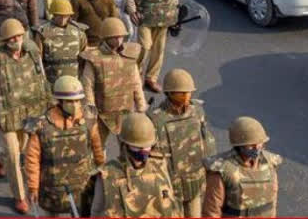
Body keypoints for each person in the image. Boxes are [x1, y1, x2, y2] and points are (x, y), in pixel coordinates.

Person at [0, 19, 51, 214]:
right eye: (11, 38)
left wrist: (49, 106)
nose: (16, 40)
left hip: (29, 112)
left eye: (19, 36)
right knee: (14, 154)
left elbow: (42, 79)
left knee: (20, 149)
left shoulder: (33, 53)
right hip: (4, 115)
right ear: (4, 40)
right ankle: (19, 196)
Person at [25, 76, 105, 216]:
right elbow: (32, 158)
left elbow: (97, 145)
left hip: (82, 184)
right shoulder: (42, 125)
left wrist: (101, 168)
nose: (74, 105)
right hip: (52, 187)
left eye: (77, 101)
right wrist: (33, 187)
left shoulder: (87, 119)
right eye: (69, 101)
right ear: (59, 101)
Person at [149, 69, 216, 217]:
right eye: (182, 93)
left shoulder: (197, 111)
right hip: (170, 186)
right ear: (170, 93)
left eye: (189, 92)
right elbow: (151, 157)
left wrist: (210, 172)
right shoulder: (156, 119)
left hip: (195, 181)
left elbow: (207, 141)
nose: (187, 96)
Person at [87, 112, 181, 218]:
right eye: (137, 147)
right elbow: (96, 212)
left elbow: (173, 202)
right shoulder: (106, 175)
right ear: (125, 145)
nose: (143, 151)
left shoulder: (160, 164)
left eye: (146, 146)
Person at [79, 17, 145, 146]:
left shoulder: (129, 56)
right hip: (102, 114)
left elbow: (136, 83)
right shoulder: (94, 58)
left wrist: (141, 106)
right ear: (106, 38)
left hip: (126, 111)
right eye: (115, 37)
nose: (119, 40)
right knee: (96, 146)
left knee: (129, 145)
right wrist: (90, 113)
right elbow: (87, 86)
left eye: (121, 36)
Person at [202, 117, 282, 218]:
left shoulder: (270, 162)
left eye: (259, 144)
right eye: (251, 145)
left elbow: (272, 201)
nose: (256, 149)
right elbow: (211, 211)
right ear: (239, 145)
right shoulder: (222, 169)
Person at [32, 0, 88, 85]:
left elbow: (84, 55)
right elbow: (38, 59)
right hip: (52, 80)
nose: (62, 19)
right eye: (59, 16)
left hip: (74, 80)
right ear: (53, 14)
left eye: (65, 16)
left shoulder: (79, 32)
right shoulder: (42, 32)